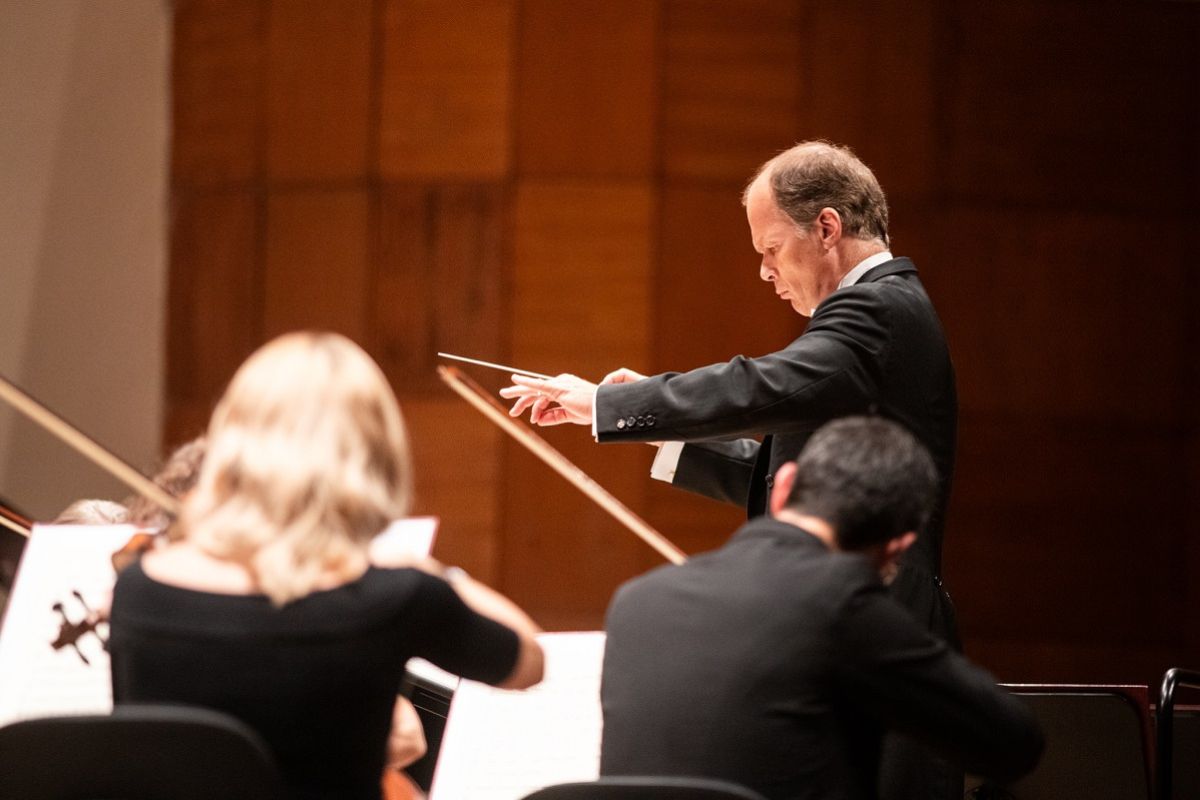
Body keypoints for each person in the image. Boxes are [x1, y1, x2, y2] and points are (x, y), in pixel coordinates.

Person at [108, 332, 545, 800]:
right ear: (373, 454)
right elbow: (528, 660)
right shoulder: (394, 594)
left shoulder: (140, 590)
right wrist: (427, 570)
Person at [599, 418, 1041, 800]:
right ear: (899, 545)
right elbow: (1014, 741)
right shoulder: (845, 607)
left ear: (784, 485)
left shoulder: (637, 599)